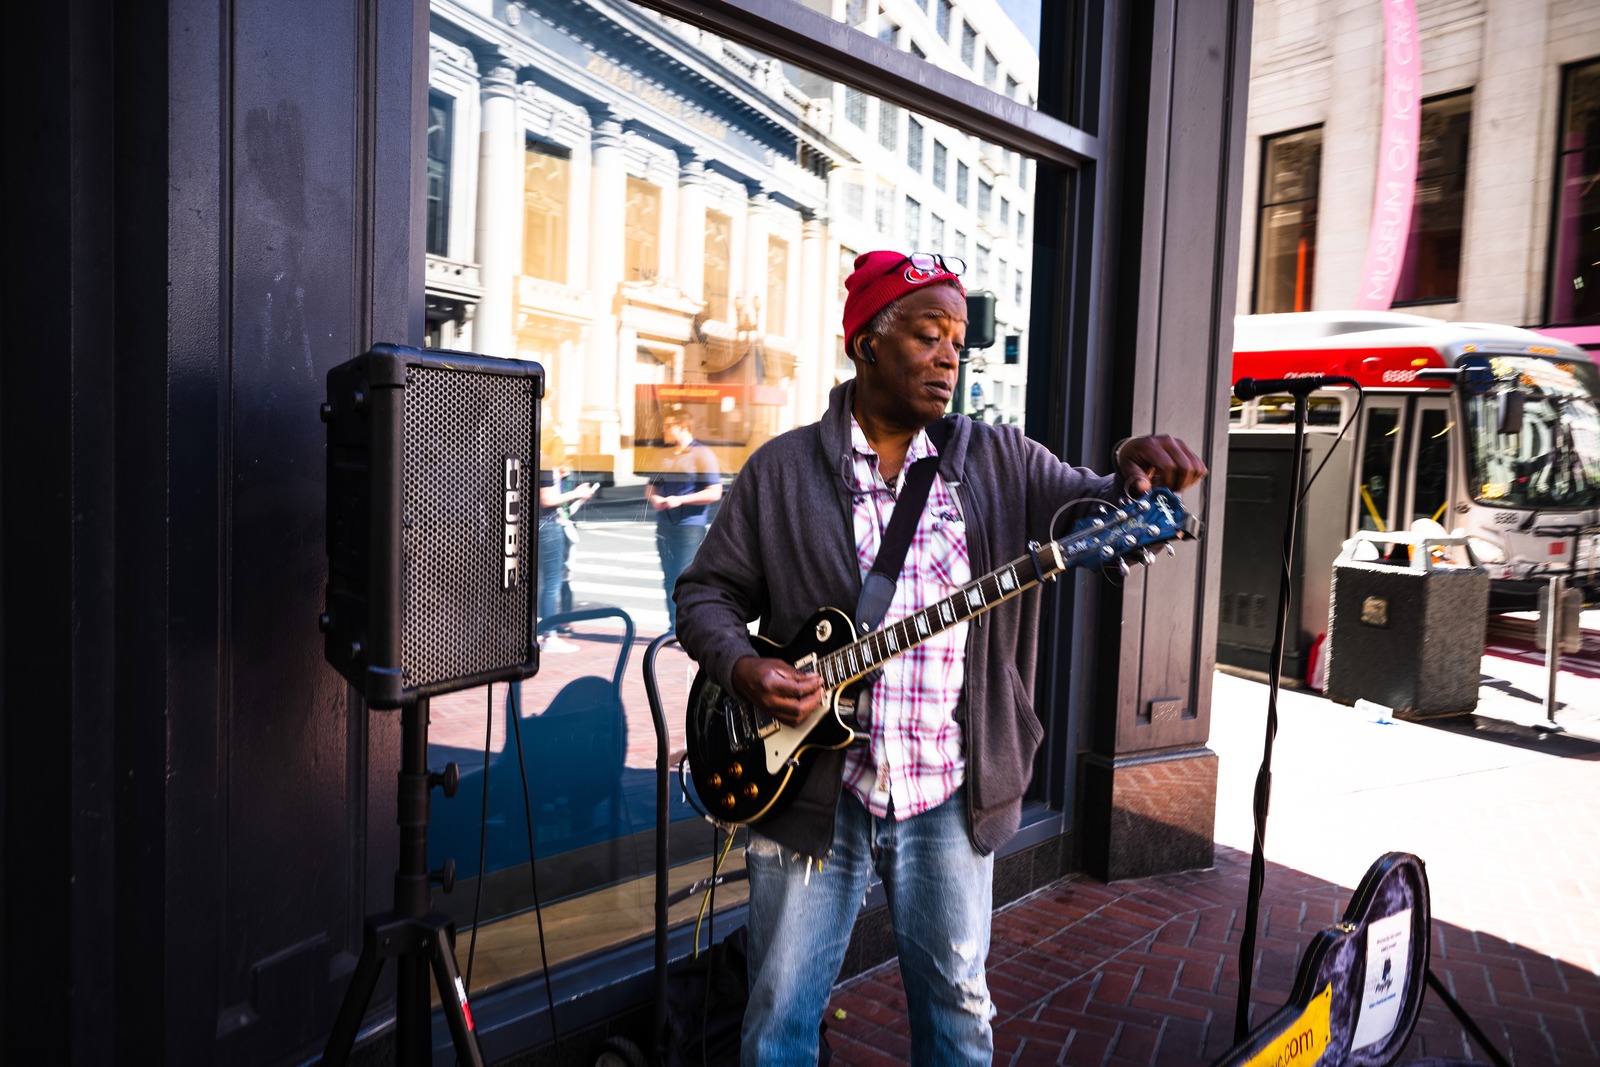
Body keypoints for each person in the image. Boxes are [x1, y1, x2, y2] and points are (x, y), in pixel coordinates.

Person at [673, 249, 1207, 1065]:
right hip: (814, 790)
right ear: (867, 345)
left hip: (949, 791)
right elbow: (704, 594)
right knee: (778, 1010)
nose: (950, 354)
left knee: (959, 1010)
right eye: (928, 334)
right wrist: (746, 668)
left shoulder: (999, 459)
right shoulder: (782, 471)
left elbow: (1092, 501)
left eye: (958, 339)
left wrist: (1130, 473)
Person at [646, 411, 722, 631]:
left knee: (683, 577)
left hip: (690, 526)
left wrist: (679, 500)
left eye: (668, 425)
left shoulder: (701, 454)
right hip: (665, 524)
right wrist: (654, 498)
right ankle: (674, 627)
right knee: (669, 578)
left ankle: (687, 628)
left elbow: (714, 492)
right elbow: (651, 486)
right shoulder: (664, 455)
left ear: (682, 426)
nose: (664, 431)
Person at [538, 455, 596, 654]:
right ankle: (549, 634)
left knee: (540, 581)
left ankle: (540, 629)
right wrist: (576, 493)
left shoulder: (535, 455)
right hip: (547, 523)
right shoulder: (544, 460)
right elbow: (547, 499)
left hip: (534, 523)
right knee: (552, 582)